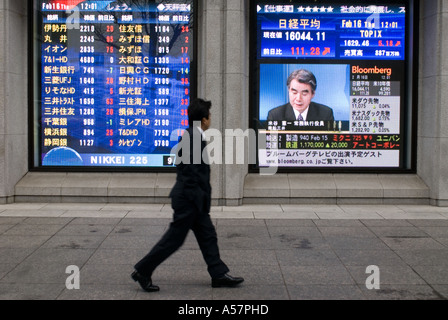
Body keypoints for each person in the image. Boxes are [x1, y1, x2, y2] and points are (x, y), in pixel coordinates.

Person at [131, 98, 244, 292]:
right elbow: (190, 172)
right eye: (209, 116)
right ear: (204, 119)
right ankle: (143, 270)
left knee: (208, 235)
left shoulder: (192, 135)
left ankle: (218, 274)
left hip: (194, 200)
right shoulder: (192, 137)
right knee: (173, 240)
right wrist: (196, 198)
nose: (211, 119)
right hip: (189, 200)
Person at [267, 69, 334, 122]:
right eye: (294, 92)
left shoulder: (325, 114)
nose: (298, 99)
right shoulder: (275, 115)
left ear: (312, 94)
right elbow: (263, 139)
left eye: (304, 93)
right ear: (289, 91)